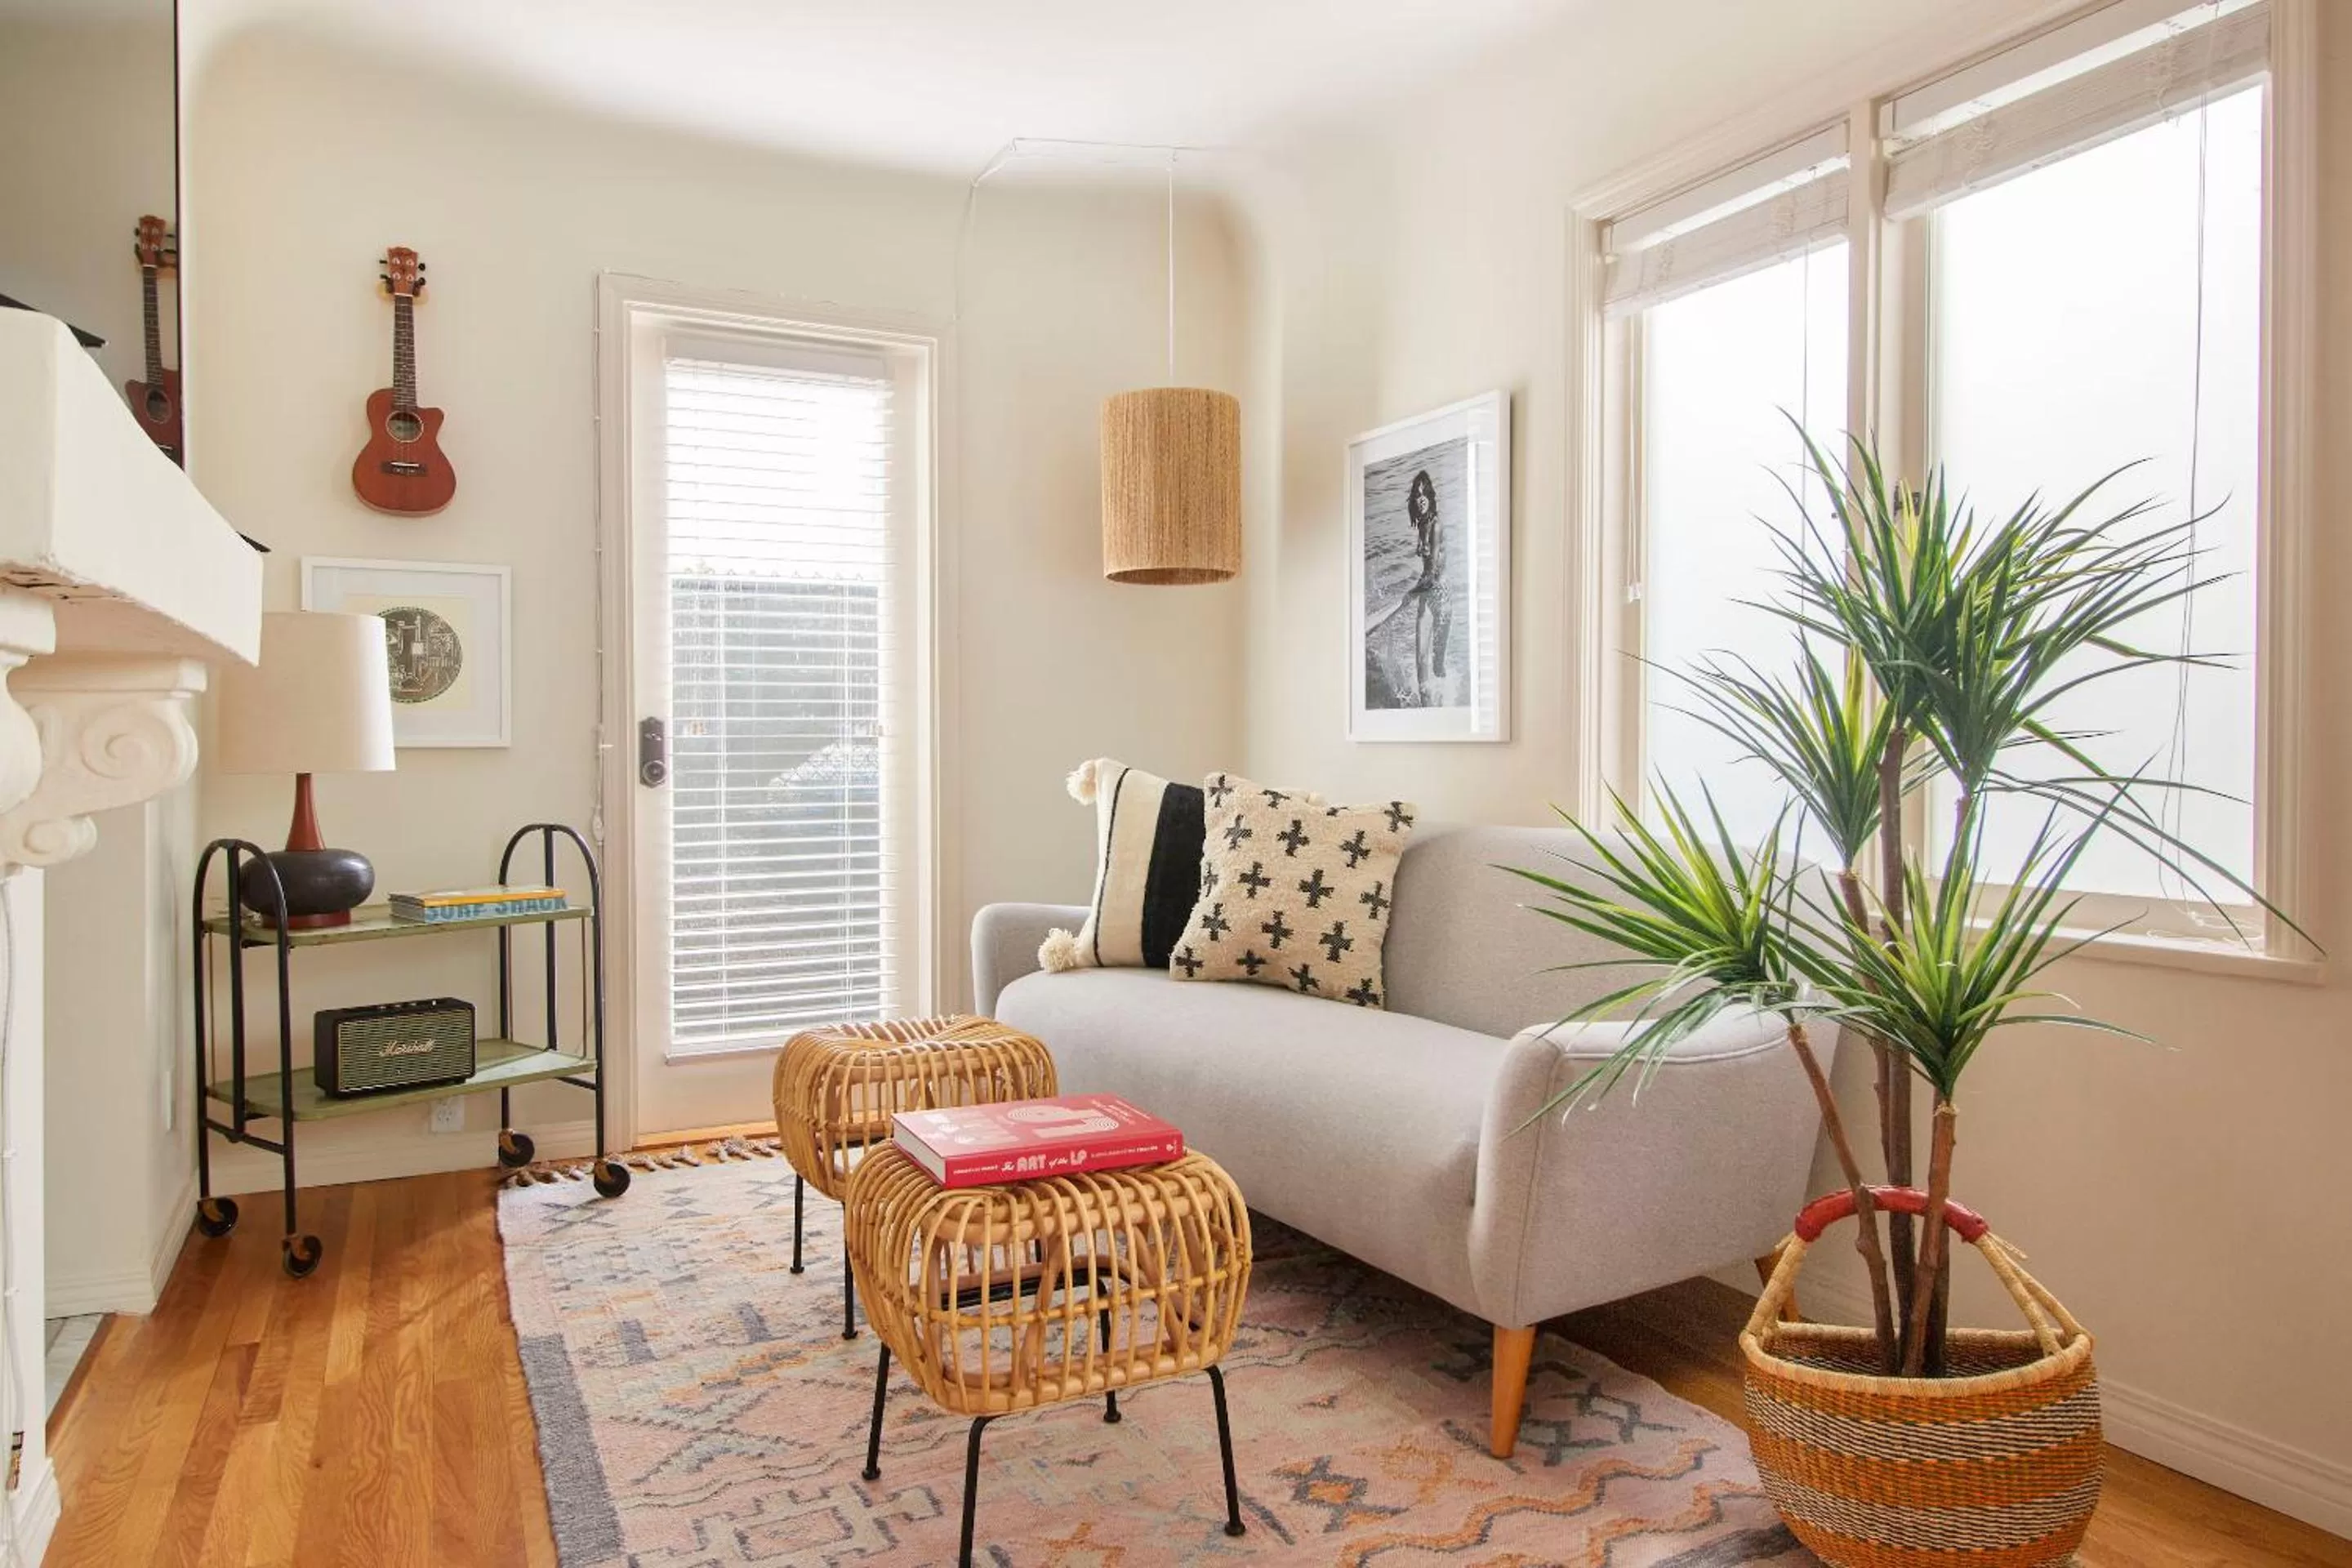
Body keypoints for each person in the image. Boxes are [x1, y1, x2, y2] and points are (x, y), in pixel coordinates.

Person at [1400, 469, 1450, 704]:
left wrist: (1410, 593)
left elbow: (1431, 574)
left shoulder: (1436, 526)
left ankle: (1446, 708)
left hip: (1441, 597)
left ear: (1430, 496)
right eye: (1416, 495)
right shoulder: (1421, 526)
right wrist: (1415, 589)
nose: (1420, 499)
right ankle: (1425, 709)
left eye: (1424, 494)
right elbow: (1426, 571)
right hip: (1427, 592)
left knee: (1437, 664)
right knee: (1421, 658)